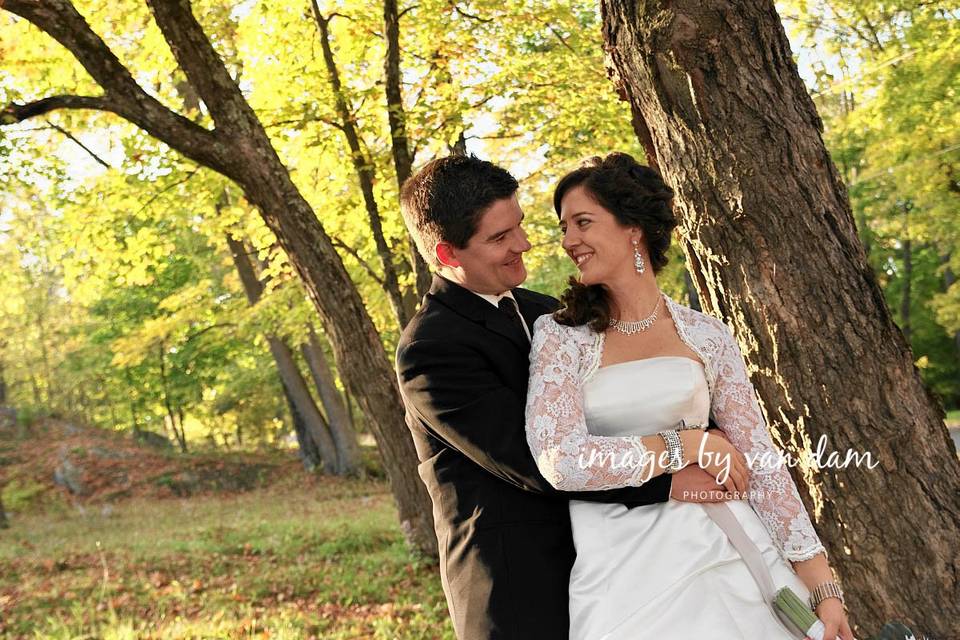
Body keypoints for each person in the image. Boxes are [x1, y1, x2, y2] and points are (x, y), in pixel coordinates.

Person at [395, 154, 735, 639]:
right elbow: (538, 464)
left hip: (619, 560)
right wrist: (675, 472)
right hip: (521, 588)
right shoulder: (431, 349)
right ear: (448, 254)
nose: (524, 244)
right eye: (499, 238)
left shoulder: (549, 313)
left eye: (520, 226)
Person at [524, 152, 855, 640]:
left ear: (632, 228)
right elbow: (561, 461)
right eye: (564, 226)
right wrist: (690, 445)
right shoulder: (561, 336)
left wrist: (824, 587)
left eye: (583, 222)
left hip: (729, 543)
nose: (568, 240)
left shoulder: (707, 335)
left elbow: (761, 461)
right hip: (626, 568)